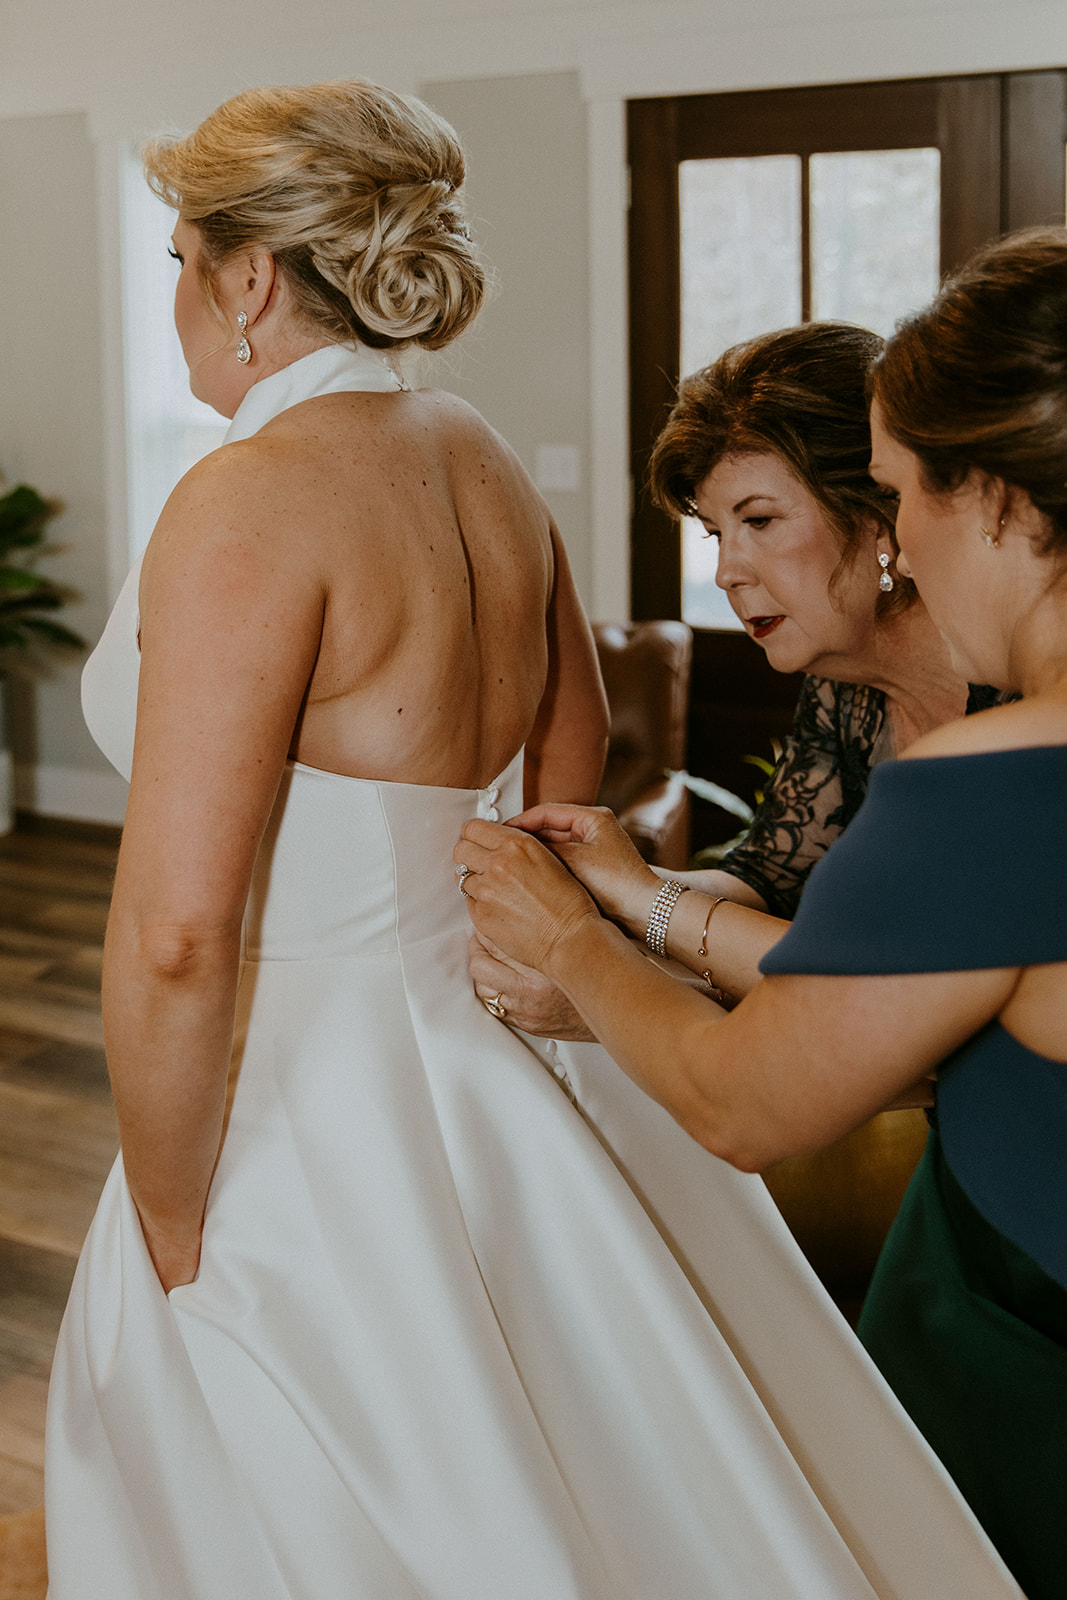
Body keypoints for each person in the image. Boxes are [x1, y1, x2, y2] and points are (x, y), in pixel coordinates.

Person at [44, 79, 1016, 1600]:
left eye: (180, 256)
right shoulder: (476, 454)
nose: (176, 293)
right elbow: (570, 778)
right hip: (503, 1047)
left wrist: (172, 1227)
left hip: (314, 1088)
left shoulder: (243, 501)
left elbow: (178, 931)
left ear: (247, 277)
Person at [456, 227, 1067, 1600]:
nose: (900, 535)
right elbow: (829, 913)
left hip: (1020, 1318)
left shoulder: (1008, 768)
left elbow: (750, 1100)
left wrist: (577, 942)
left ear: (991, 498)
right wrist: (642, 897)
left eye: (902, 493)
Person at [468, 322, 991, 1034]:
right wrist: (606, 885)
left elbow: (914, 1000)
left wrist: (609, 982)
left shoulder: (1022, 696)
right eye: (716, 533)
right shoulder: (845, 688)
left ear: (879, 514)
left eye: (761, 521)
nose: (725, 573)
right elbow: (767, 883)